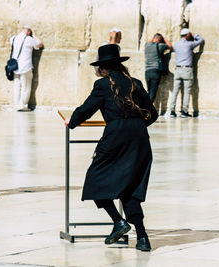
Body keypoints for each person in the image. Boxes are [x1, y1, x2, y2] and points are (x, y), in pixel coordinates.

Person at [64, 44, 158, 251]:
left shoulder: (103, 85)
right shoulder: (136, 83)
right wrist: (137, 125)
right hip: (139, 137)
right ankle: (142, 238)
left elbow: (86, 109)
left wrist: (71, 121)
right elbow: (153, 113)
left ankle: (119, 222)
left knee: (95, 180)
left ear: (102, 67)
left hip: (116, 136)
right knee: (130, 187)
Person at [170, 28, 204, 118]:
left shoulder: (176, 45)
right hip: (187, 70)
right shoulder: (190, 45)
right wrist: (194, 35)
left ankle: (172, 111)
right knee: (187, 92)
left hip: (177, 69)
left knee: (175, 91)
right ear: (188, 35)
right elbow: (201, 40)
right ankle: (184, 112)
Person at [10, 25, 43, 111]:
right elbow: (40, 44)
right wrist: (34, 35)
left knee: (17, 86)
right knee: (26, 87)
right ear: (29, 32)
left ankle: (17, 105)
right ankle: (22, 105)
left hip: (15, 66)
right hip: (25, 66)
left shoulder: (14, 38)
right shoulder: (29, 39)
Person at [144, 33, 173, 102]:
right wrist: (164, 38)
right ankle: (149, 108)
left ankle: (146, 107)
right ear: (159, 40)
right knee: (153, 92)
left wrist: (154, 36)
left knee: (149, 91)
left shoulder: (146, 45)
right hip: (155, 71)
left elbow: (149, 41)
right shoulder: (160, 46)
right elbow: (170, 46)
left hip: (147, 71)